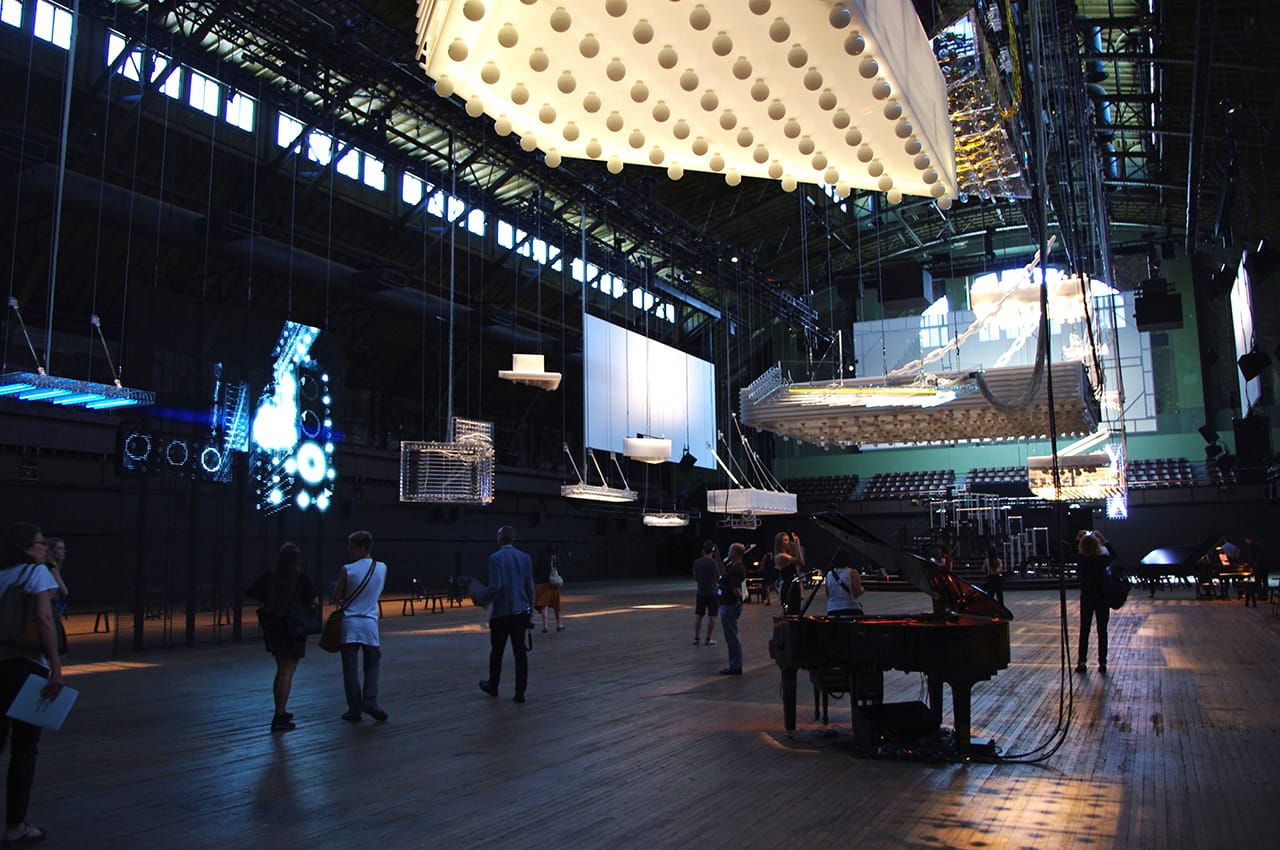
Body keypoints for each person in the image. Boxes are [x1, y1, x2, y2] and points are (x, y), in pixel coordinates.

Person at [0, 522, 65, 847]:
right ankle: (16, 826)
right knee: (24, 749)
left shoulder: (1, 575)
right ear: (26, 547)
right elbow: (44, 619)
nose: (45, 548)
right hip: (26, 666)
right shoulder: (36, 574)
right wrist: (56, 667)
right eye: (40, 543)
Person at [246, 543, 319, 732]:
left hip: (274, 628)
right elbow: (314, 600)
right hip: (293, 629)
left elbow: (252, 592)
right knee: (286, 672)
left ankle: (281, 710)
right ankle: (279, 715)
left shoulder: (270, 577)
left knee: (281, 670)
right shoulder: (301, 579)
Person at [333, 530, 388, 723]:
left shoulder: (347, 569)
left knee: (350, 668)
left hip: (349, 624)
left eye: (352, 547)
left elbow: (337, 597)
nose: (349, 550)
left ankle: (354, 708)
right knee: (372, 665)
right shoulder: (382, 567)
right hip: (370, 624)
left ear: (360, 547)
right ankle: (370, 701)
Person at [476, 526, 535, 703]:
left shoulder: (495, 558)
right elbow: (530, 586)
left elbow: (495, 586)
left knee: (497, 652)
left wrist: (481, 598)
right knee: (520, 653)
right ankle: (520, 692)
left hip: (501, 613)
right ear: (513, 539)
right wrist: (530, 610)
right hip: (520, 611)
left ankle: (493, 685)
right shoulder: (525, 557)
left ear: (499, 539)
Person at [1075, 530, 1115, 674]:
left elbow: (1071, 554)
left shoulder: (1082, 561)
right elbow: (1113, 554)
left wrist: (1078, 538)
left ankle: (1082, 661)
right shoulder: (1102, 560)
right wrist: (1103, 538)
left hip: (1087, 597)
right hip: (1102, 598)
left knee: (1084, 629)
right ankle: (1102, 662)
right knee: (1102, 631)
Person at [717, 543, 748, 675]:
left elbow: (736, 589)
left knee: (732, 637)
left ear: (734, 552)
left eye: (730, 550)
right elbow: (743, 588)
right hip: (732, 604)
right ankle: (735, 664)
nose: (728, 553)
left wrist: (739, 598)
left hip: (729, 605)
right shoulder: (739, 567)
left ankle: (735, 665)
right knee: (732, 635)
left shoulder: (736, 569)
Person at [691, 541, 720, 646]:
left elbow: (695, 577)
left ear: (703, 550)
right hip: (712, 592)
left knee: (699, 615)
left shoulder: (697, 562)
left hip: (701, 592)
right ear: (712, 551)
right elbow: (718, 577)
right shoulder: (713, 562)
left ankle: (697, 638)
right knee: (712, 616)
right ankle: (708, 639)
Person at [533, 543, 565, 632]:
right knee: (556, 605)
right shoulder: (555, 558)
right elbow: (560, 570)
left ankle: (545, 626)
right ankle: (559, 624)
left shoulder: (540, 558)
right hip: (553, 584)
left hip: (542, 584)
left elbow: (535, 571)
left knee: (544, 605)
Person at [824, 549, 864, 617]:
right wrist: (862, 589)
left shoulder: (829, 574)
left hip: (832, 609)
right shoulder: (852, 573)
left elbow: (828, 594)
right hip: (850, 608)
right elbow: (856, 593)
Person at [774, 531, 806, 615]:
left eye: (788, 539)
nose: (788, 542)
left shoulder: (787, 554)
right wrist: (797, 545)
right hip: (788, 587)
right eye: (785, 540)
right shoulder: (781, 556)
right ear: (780, 543)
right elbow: (799, 561)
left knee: (796, 611)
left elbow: (801, 562)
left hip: (794, 585)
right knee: (791, 611)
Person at [43, 537, 69, 617]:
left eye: (64, 548)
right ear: (51, 551)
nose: (64, 551)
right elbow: (64, 591)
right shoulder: (51, 567)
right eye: (60, 548)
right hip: (49, 605)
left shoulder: (48, 566)